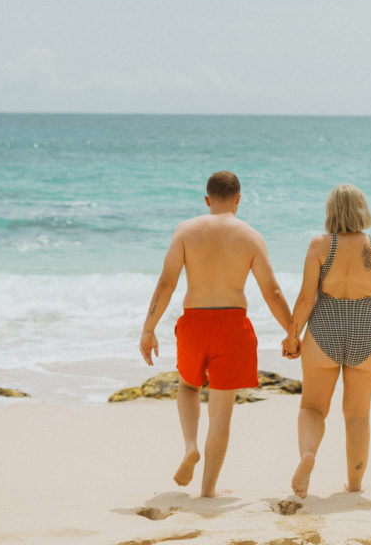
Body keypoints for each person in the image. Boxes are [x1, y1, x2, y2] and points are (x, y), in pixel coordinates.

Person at [140, 170, 293, 498]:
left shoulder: (185, 230)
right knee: (221, 414)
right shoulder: (251, 236)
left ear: (207, 200)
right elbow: (273, 293)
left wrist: (149, 329)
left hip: (195, 322)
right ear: (238, 198)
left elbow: (166, 282)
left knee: (187, 386)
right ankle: (207, 490)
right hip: (232, 325)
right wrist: (292, 332)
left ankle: (190, 446)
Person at [282, 183, 371, 499]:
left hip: (324, 332)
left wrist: (292, 336)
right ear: (362, 209)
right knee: (357, 415)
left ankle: (308, 455)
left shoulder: (320, 246)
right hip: (366, 333)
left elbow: (305, 298)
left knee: (313, 407)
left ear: (331, 211)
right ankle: (354, 486)